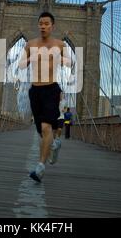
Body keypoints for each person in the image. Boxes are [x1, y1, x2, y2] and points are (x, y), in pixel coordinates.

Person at [18, 11, 72, 182]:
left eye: (46, 23)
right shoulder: (30, 44)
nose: (43, 26)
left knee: (47, 128)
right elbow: (20, 65)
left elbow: (70, 62)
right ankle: (55, 144)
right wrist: (30, 59)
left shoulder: (60, 44)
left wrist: (61, 59)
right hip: (35, 91)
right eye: (40, 23)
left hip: (51, 89)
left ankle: (40, 168)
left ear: (52, 26)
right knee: (42, 132)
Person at [48, 92, 66, 165]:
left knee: (60, 129)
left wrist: (64, 110)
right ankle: (54, 141)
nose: (61, 95)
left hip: (61, 117)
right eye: (59, 94)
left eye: (61, 94)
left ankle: (57, 139)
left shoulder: (64, 101)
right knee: (54, 131)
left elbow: (65, 108)